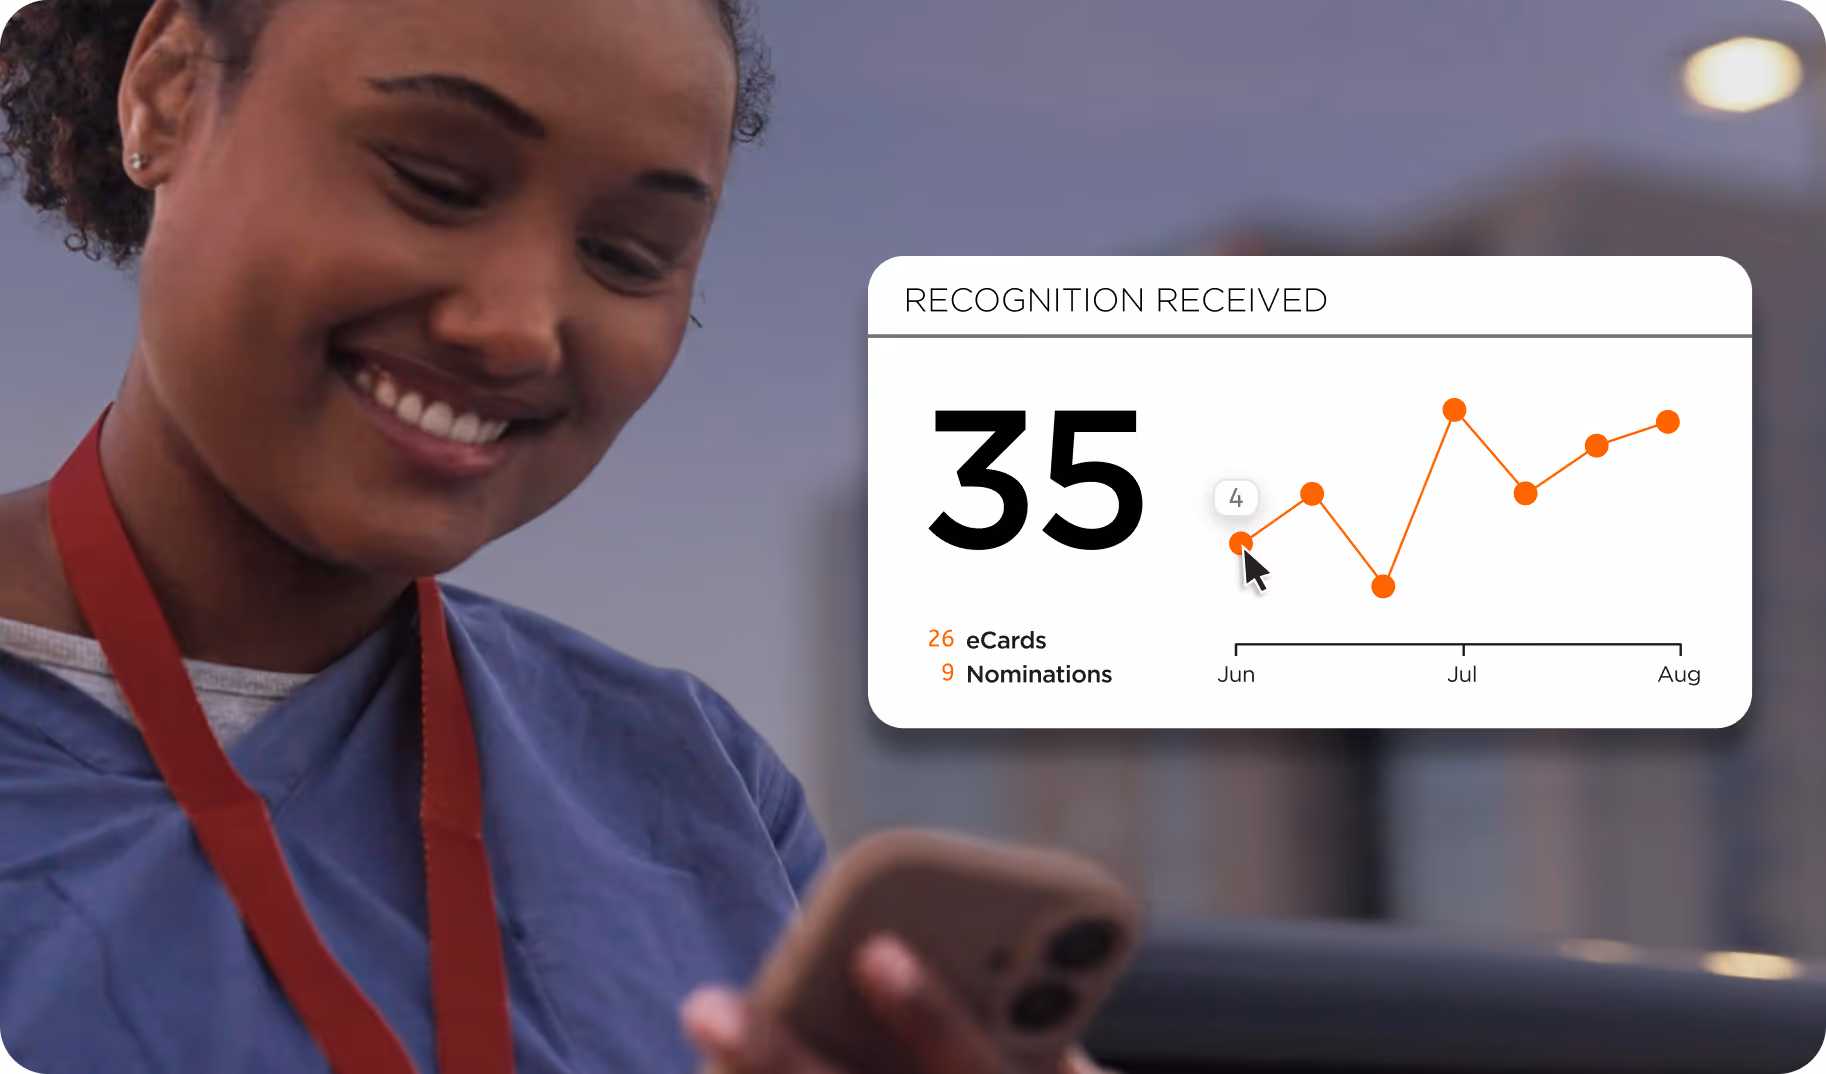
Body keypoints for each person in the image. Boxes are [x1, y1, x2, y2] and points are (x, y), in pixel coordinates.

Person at [0, 0, 1110, 1071]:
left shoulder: (693, 778)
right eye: (432, 180)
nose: (518, 326)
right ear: (166, 93)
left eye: (629, 255)